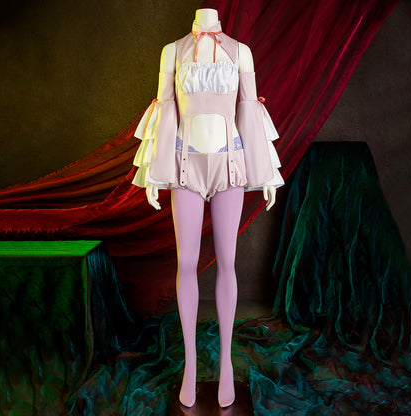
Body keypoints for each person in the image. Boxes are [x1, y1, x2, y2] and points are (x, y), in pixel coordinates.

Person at [131, 8, 284, 408]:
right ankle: (190, 365)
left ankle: (227, 365)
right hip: (186, 167)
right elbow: (165, 110)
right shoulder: (172, 51)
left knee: (228, 262)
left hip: (229, 166)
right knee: (186, 264)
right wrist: (155, 172)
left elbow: (249, 110)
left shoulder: (241, 52)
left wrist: (265, 173)